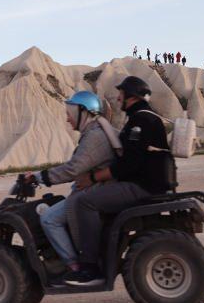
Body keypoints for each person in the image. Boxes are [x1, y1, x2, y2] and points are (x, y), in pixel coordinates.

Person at [64, 76, 171, 286]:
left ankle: (90, 267)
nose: (119, 98)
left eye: (121, 94)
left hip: (141, 186)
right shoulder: (143, 117)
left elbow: (126, 166)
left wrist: (93, 178)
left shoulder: (140, 121)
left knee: (85, 202)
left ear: (131, 97)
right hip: (147, 183)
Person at [22, 91, 119, 286]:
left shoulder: (94, 137)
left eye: (70, 113)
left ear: (83, 112)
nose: (67, 118)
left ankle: (75, 267)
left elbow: (73, 168)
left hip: (94, 192)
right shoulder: (95, 132)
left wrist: (41, 177)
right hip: (96, 189)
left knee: (49, 219)